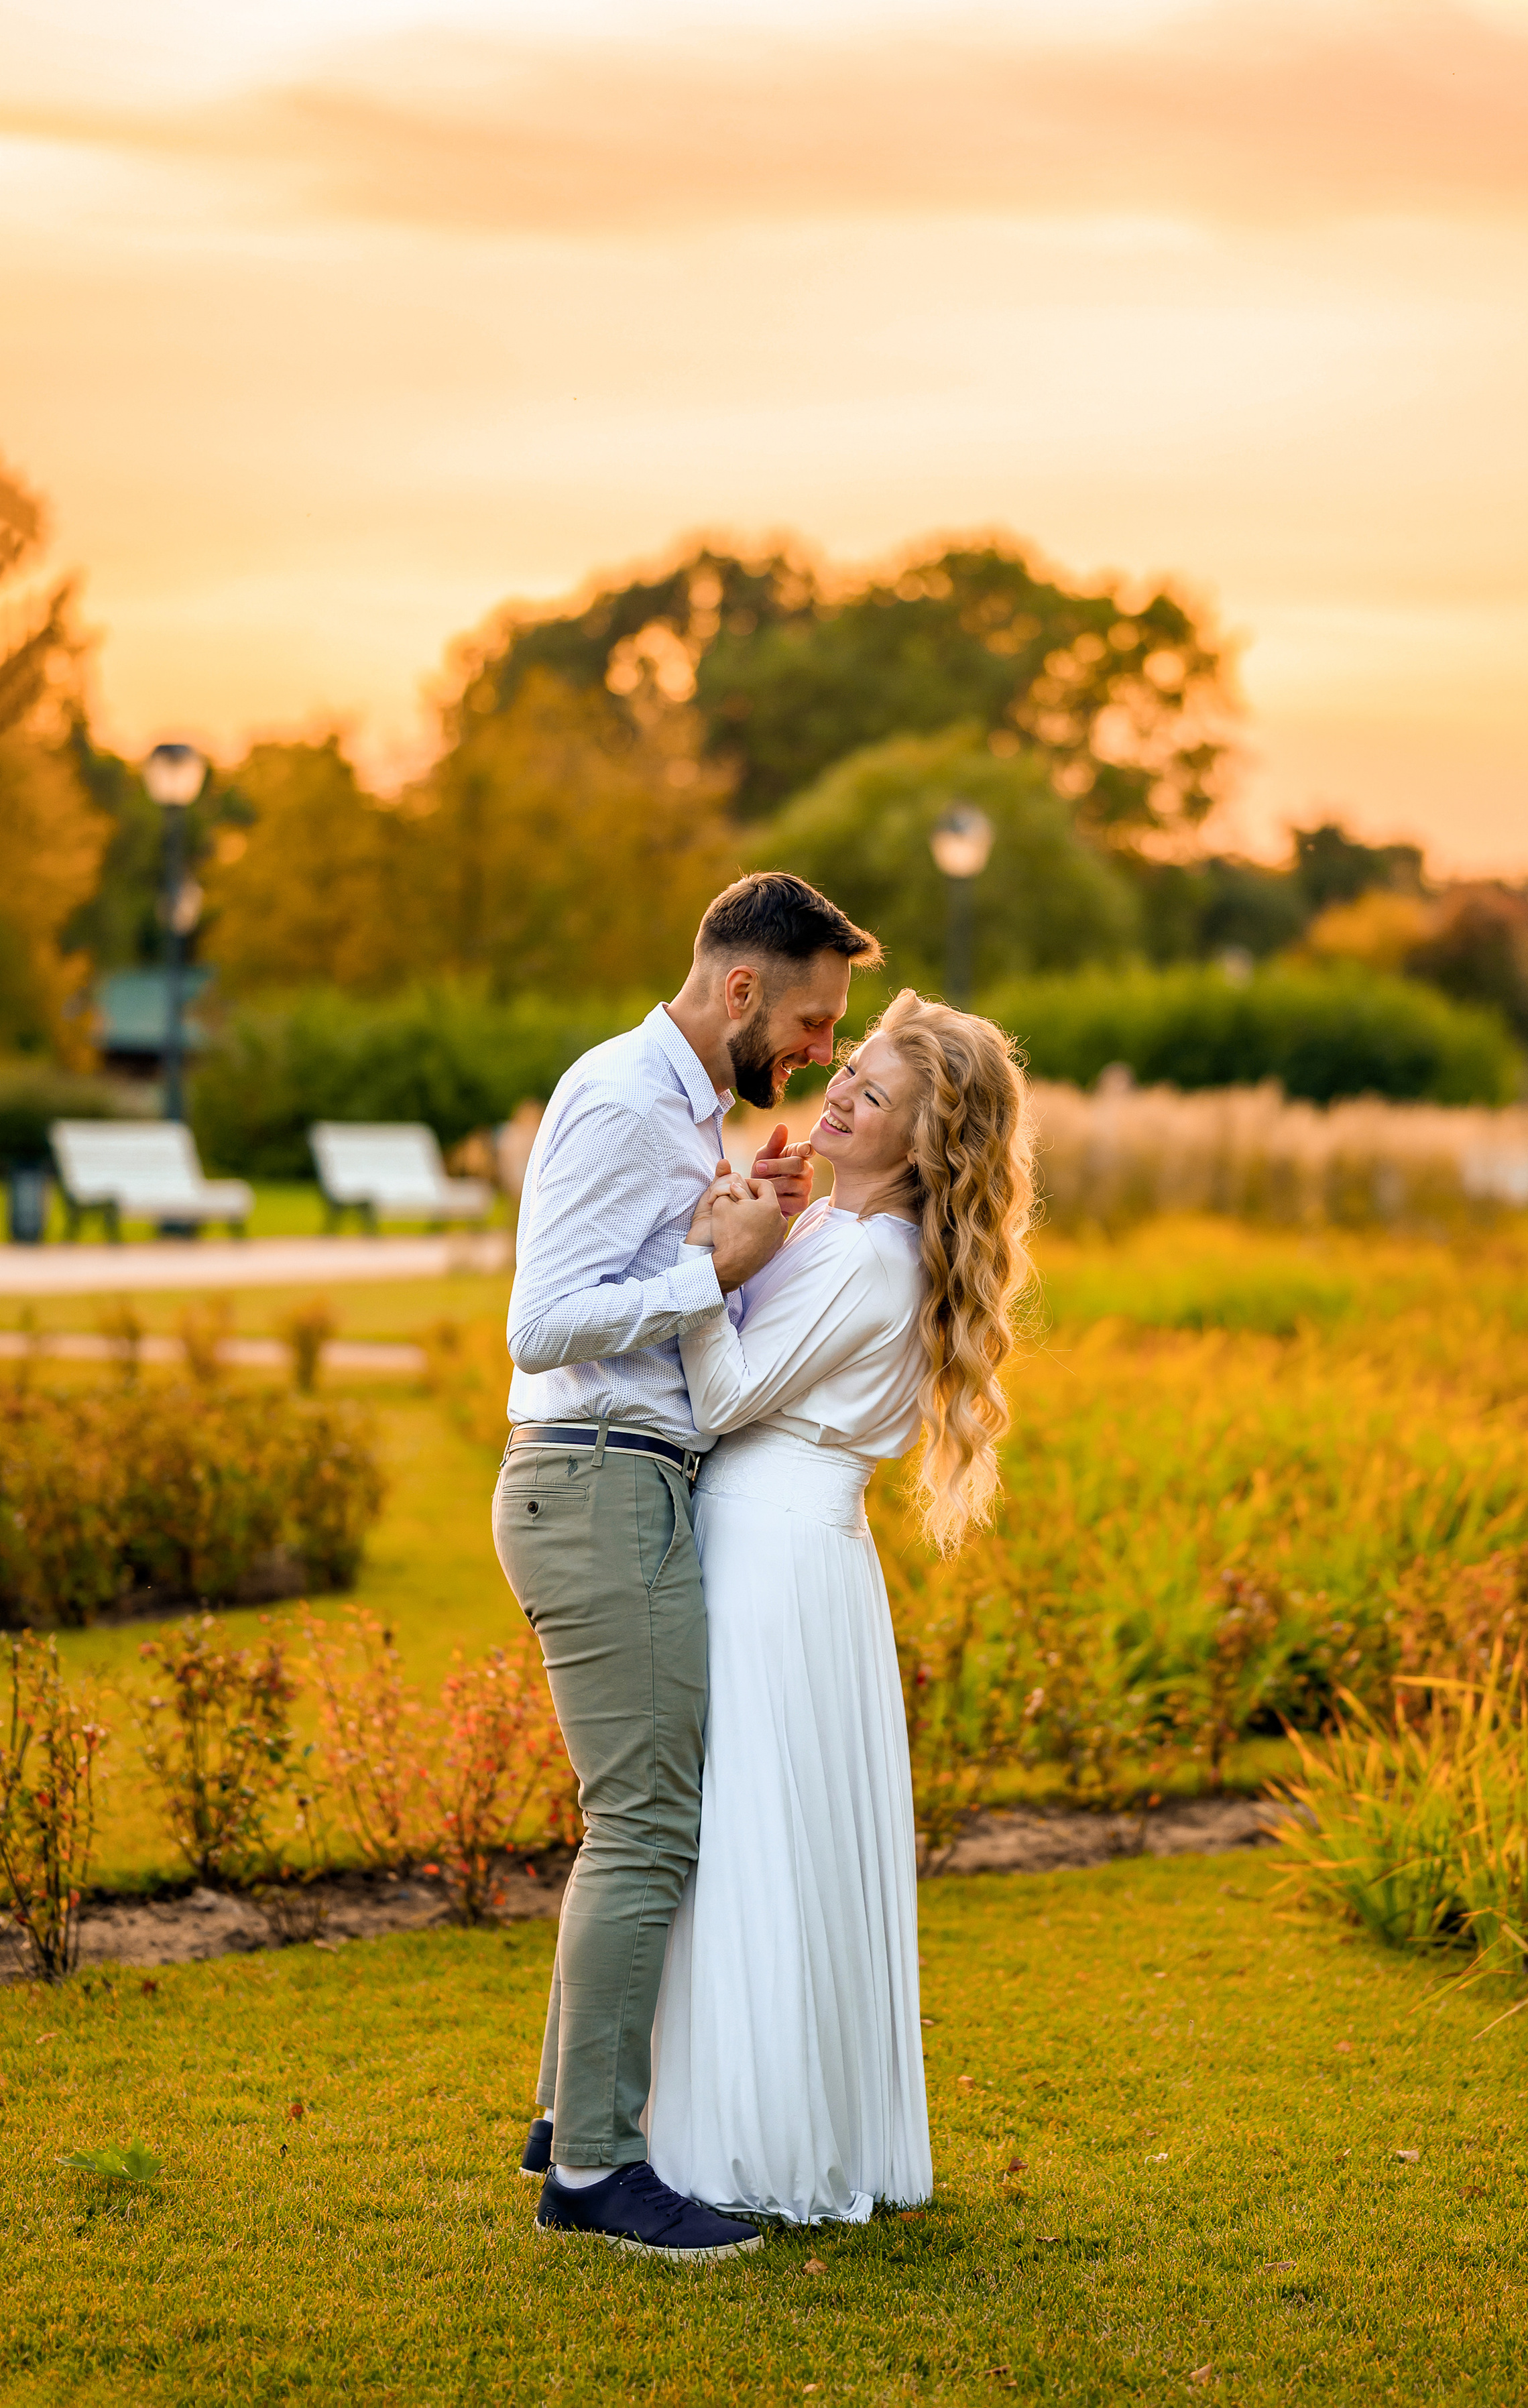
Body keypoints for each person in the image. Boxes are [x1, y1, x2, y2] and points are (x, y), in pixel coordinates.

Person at [493, 871, 882, 2265]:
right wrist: (711, 1272)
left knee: (636, 1818)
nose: (822, 1051)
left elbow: (656, 1286)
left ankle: (567, 2118)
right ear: (740, 988)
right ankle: (597, 2168)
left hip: (625, 1476)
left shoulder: (683, 1109)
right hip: (597, 1476)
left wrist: (743, 1231)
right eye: (813, 1020)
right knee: (646, 1826)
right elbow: (541, 1324)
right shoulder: (622, 1098)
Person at [644, 988, 1036, 2224]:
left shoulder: (870, 1256)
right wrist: (762, 1231)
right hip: (790, 1546)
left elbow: (724, 1399)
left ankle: (748, 2147)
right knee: (757, 1832)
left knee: (749, 1836)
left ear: (926, 1143)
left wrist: (709, 1264)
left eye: (876, 1094)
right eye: (851, 1070)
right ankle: (749, 2114)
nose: (843, 1093)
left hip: (772, 1555)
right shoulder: (843, 1230)